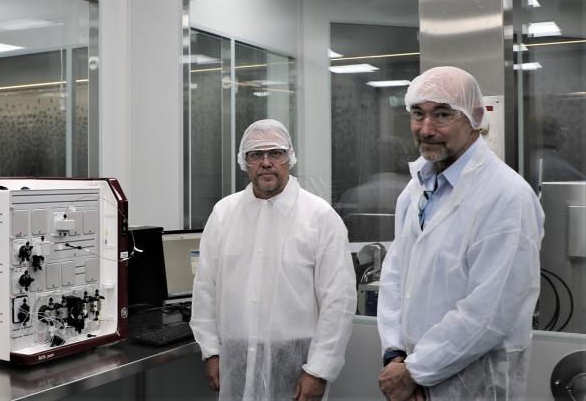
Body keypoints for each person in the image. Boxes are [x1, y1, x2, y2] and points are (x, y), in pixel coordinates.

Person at [376, 66, 544, 400]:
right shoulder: (415, 191)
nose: (426, 129)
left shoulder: (507, 195)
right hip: (411, 376)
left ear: (476, 118)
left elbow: (490, 311)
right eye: (417, 114)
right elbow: (395, 278)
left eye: (442, 114)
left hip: (476, 385)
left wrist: (415, 371)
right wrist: (395, 354)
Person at [191, 119, 356, 401]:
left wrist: (318, 370)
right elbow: (205, 287)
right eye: (256, 154)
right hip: (236, 360)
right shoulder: (224, 214)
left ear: (289, 158)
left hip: (297, 364)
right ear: (244, 162)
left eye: (275, 153)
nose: (266, 162)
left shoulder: (319, 217)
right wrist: (211, 351)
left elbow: (338, 302)